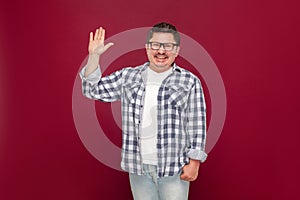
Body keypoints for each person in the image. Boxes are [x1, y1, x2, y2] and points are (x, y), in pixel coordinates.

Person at [80, 22, 207, 200]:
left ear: (176, 50)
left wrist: (195, 162)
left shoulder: (189, 81)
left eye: (168, 46)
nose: (161, 51)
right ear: (147, 47)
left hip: (174, 168)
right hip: (138, 168)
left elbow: (197, 123)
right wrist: (94, 57)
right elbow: (92, 90)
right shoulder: (128, 77)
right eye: (156, 44)